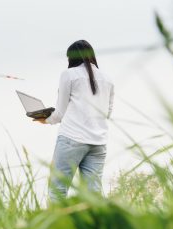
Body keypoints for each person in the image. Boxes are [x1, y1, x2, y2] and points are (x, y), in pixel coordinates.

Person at [34, 40, 114, 202]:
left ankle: (57, 226)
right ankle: (94, 227)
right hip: (98, 143)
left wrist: (46, 119)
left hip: (72, 139)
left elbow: (60, 113)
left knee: (58, 190)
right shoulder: (108, 79)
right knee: (93, 196)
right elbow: (107, 113)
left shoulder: (68, 75)